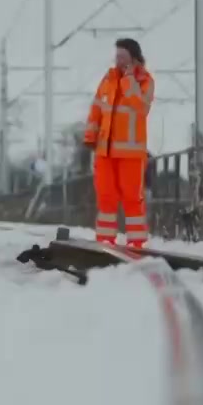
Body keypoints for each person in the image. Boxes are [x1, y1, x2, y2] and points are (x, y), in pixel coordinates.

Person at [82, 38, 155, 249]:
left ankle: (136, 243)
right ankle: (105, 242)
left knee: (132, 198)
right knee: (106, 197)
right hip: (105, 151)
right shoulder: (108, 79)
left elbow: (141, 108)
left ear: (134, 58)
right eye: (117, 56)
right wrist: (90, 136)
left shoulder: (145, 81)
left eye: (122, 56)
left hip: (130, 153)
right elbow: (96, 109)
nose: (118, 60)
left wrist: (129, 80)